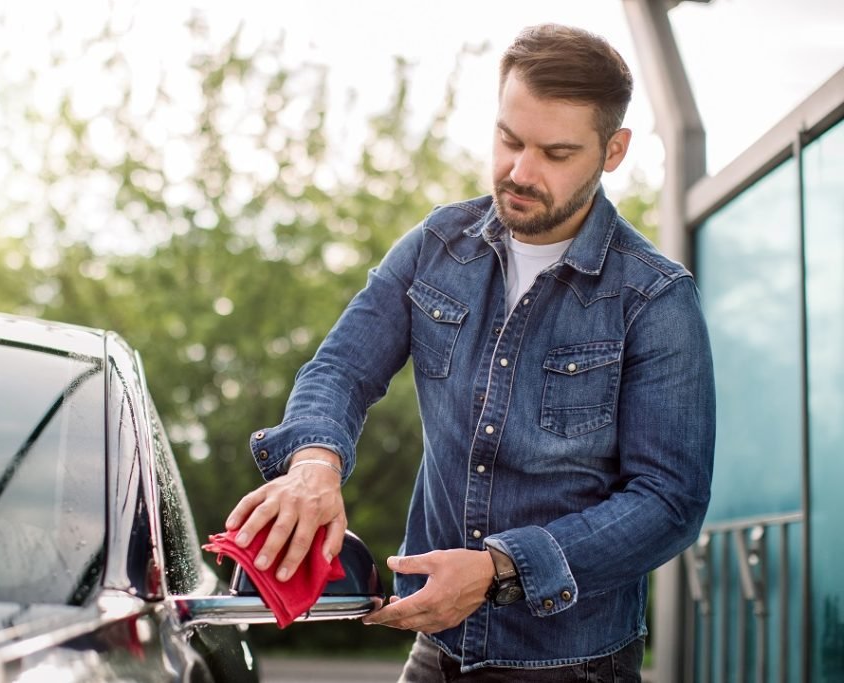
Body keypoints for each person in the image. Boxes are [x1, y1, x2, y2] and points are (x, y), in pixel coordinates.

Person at [224, 23, 715, 680]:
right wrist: (314, 464)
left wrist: (497, 571)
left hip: (574, 664)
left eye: (555, 151)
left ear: (613, 150)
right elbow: (342, 367)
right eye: (510, 139)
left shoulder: (655, 299)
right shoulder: (435, 246)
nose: (519, 169)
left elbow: (668, 501)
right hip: (439, 650)